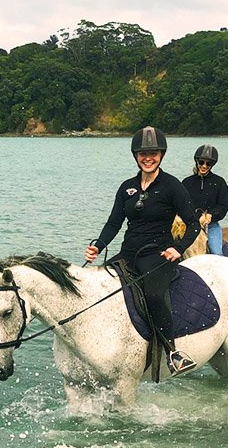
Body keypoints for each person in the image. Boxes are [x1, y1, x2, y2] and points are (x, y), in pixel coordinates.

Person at [85, 126, 202, 375]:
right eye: (142, 153)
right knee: (97, 286)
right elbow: (114, 222)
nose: (148, 158)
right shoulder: (127, 187)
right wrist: (98, 245)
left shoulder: (172, 186)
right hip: (128, 254)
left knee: (154, 295)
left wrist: (178, 248)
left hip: (158, 255)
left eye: (153, 153)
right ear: (135, 155)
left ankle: (173, 352)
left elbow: (193, 223)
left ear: (162, 154)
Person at [181, 145, 228, 255]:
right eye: (201, 162)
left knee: (217, 253)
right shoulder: (186, 182)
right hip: (189, 225)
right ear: (196, 161)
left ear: (212, 165)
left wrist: (211, 215)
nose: (204, 166)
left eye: (208, 163)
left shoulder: (220, 183)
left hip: (210, 226)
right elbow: (180, 204)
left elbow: (223, 206)